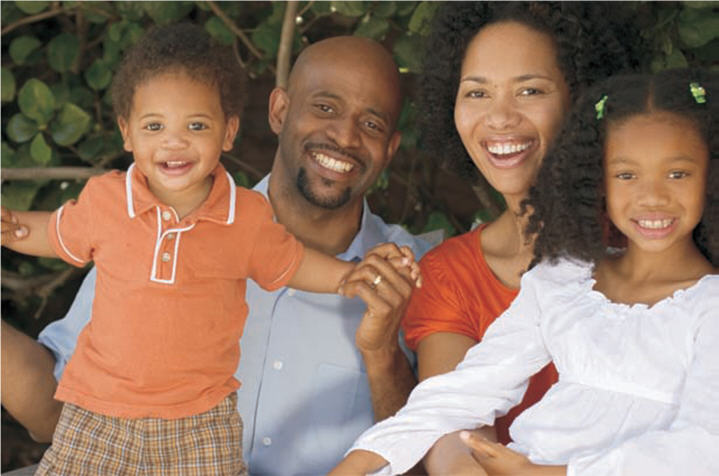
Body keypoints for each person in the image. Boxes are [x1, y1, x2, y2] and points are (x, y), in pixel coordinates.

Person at [0, 30, 430, 475]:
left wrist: (375, 335)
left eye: (372, 124)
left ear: (390, 150)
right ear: (279, 111)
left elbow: (426, 461)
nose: (344, 135)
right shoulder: (134, 225)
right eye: (325, 107)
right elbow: (51, 412)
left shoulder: (408, 272)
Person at [331, 67, 719, 475]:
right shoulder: (564, 278)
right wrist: (351, 467)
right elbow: (464, 391)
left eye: (678, 174)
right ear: (595, 182)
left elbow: (705, 446)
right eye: (626, 175)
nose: (652, 197)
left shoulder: (710, 308)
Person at [398, 3, 641, 469]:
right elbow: (455, 451)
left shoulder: (656, 237)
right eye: (477, 93)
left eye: (529, 90)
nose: (500, 118)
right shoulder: (451, 274)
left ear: (584, 97)